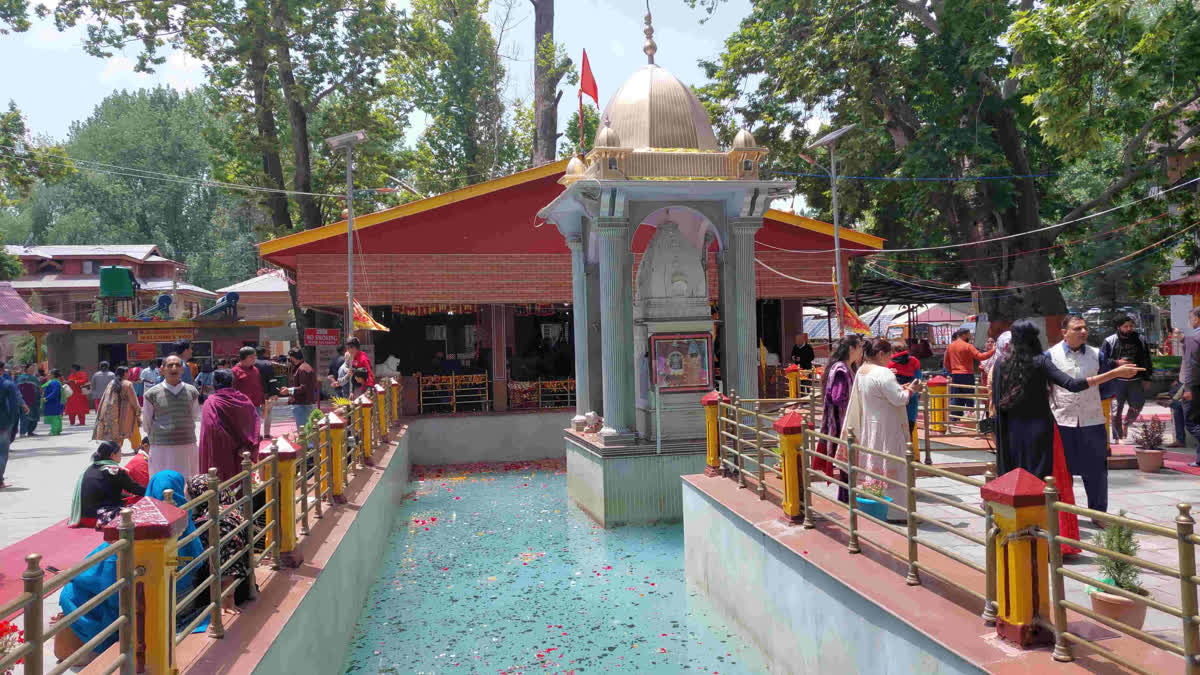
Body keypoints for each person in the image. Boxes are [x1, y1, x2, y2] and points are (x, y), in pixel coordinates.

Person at [55, 470, 207, 663]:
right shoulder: (191, 534)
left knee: (74, 593)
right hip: (177, 605)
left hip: (134, 608)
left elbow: (96, 569)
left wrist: (71, 575)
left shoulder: (138, 534)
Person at [992, 320, 1141, 479]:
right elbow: (1072, 384)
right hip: (1038, 428)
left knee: (1012, 476)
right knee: (1037, 479)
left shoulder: (1001, 364)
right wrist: (1115, 373)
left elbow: (996, 399)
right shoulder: (1040, 362)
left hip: (1009, 429)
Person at [841, 339, 922, 516]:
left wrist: (900, 388)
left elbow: (879, 394)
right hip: (888, 427)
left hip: (870, 425)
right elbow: (899, 399)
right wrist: (911, 389)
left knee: (874, 462)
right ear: (880, 354)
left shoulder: (862, 371)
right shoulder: (883, 373)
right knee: (892, 463)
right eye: (888, 356)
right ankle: (896, 511)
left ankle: (873, 505)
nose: (890, 360)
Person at [1048, 316, 1112, 520]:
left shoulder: (1097, 355)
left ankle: (1099, 514)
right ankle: (1063, 517)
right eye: (1077, 328)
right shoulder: (1049, 356)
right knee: (1061, 472)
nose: (1083, 332)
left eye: (1085, 328)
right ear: (1064, 332)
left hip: (1092, 421)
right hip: (1061, 421)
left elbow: (1108, 386)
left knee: (1097, 471)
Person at [186, 474, 256, 606]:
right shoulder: (232, 508)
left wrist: (227, 598)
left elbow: (228, 557)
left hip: (220, 593)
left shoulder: (214, 521)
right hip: (243, 584)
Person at [814, 334, 864, 503]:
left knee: (847, 462)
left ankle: (847, 497)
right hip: (842, 422)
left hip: (845, 421)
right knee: (846, 462)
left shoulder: (847, 367)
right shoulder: (841, 369)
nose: (862, 351)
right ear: (851, 348)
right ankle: (846, 498)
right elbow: (837, 397)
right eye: (860, 347)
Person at [142, 355, 202, 477]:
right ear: (162, 369)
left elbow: (195, 415)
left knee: (187, 480)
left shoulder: (192, 391)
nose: (174, 368)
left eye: (178, 365)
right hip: (161, 447)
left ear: (182, 370)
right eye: (170, 365)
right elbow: (146, 422)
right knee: (163, 482)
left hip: (187, 445)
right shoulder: (151, 394)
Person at [199, 369, 261, 482]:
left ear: (214, 384)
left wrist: (230, 445)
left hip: (219, 453)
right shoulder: (244, 399)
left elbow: (211, 428)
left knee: (220, 485)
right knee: (240, 484)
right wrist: (246, 446)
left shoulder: (212, 402)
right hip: (242, 453)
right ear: (232, 382)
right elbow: (255, 423)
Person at [1100, 315, 1153, 442]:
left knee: (1137, 405)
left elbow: (1147, 359)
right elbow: (1102, 360)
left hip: (1136, 380)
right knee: (1116, 410)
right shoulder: (1110, 341)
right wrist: (1117, 363)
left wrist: (1147, 377)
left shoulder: (1140, 339)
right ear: (1119, 327)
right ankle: (1118, 438)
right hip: (1116, 381)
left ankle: (1127, 424)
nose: (1129, 329)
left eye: (1131, 326)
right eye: (1126, 326)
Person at [68, 441, 145, 528]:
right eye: (120, 453)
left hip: (83, 516)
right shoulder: (114, 471)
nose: (121, 455)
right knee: (142, 502)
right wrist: (150, 492)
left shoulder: (89, 469)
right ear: (112, 455)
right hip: (98, 516)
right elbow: (135, 489)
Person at [943, 328, 994, 421]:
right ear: (964, 335)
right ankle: (970, 417)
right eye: (969, 334)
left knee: (957, 396)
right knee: (969, 396)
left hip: (955, 374)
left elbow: (946, 363)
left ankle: (955, 419)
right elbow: (981, 357)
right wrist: (993, 351)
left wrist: (953, 370)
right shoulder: (968, 346)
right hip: (967, 374)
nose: (970, 336)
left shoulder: (950, 346)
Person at [92, 366, 142, 451]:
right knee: (133, 431)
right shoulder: (128, 384)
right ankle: (137, 448)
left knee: (117, 432)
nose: (129, 374)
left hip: (113, 414)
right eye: (128, 372)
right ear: (125, 373)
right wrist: (138, 412)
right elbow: (133, 400)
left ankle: (115, 449)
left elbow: (105, 398)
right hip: (127, 413)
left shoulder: (111, 383)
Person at [0, 362, 27, 489]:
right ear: (1, 371)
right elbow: (13, 406)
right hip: (3, 423)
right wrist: (12, 422)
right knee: (2, 453)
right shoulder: (7, 384)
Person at [888, 342, 924, 435]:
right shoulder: (914, 361)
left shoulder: (889, 363)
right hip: (911, 399)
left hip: (895, 400)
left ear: (893, 351)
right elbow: (918, 380)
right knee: (908, 432)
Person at [279, 347, 318, 431]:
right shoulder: (302, 367)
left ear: (293, 358)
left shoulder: (303, 369)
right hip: (303, 403)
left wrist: (289, 390)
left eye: (290, 359)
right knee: (305, 429)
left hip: (302, 404)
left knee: (303, 431)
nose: (290, 361)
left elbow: (304, 388)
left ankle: (306, 444)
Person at [255, 346, 279, 439]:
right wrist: (273, 393)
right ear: (264, 353)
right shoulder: (268, 364)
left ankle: (256, 433)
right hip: (266, 393)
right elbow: (272, 380)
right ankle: (266, 433)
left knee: (255, 413)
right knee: (268, 412)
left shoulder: (251, 364)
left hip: (254, 393)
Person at [17, 362, 42, 436]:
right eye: (31, 368)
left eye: (33, 368)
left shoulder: (34, 378)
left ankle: (30, 431)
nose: (33, 370)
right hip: (24, 401)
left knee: (34, 416)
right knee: (24, 417)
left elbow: (40, 389)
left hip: (34, 400)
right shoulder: (20, 377)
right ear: (26, 369)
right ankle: (22, 432)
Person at [42, 368, 66, 435]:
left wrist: (47, 398)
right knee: (57, 416)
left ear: (53, 375)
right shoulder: (55, 381)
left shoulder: (54, 382)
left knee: (54, 417)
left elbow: (54, 392)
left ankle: (54, 431)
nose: (48, 375)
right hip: (55, 401)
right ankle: (57, 430)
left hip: (53, 402)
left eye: (49, 373)